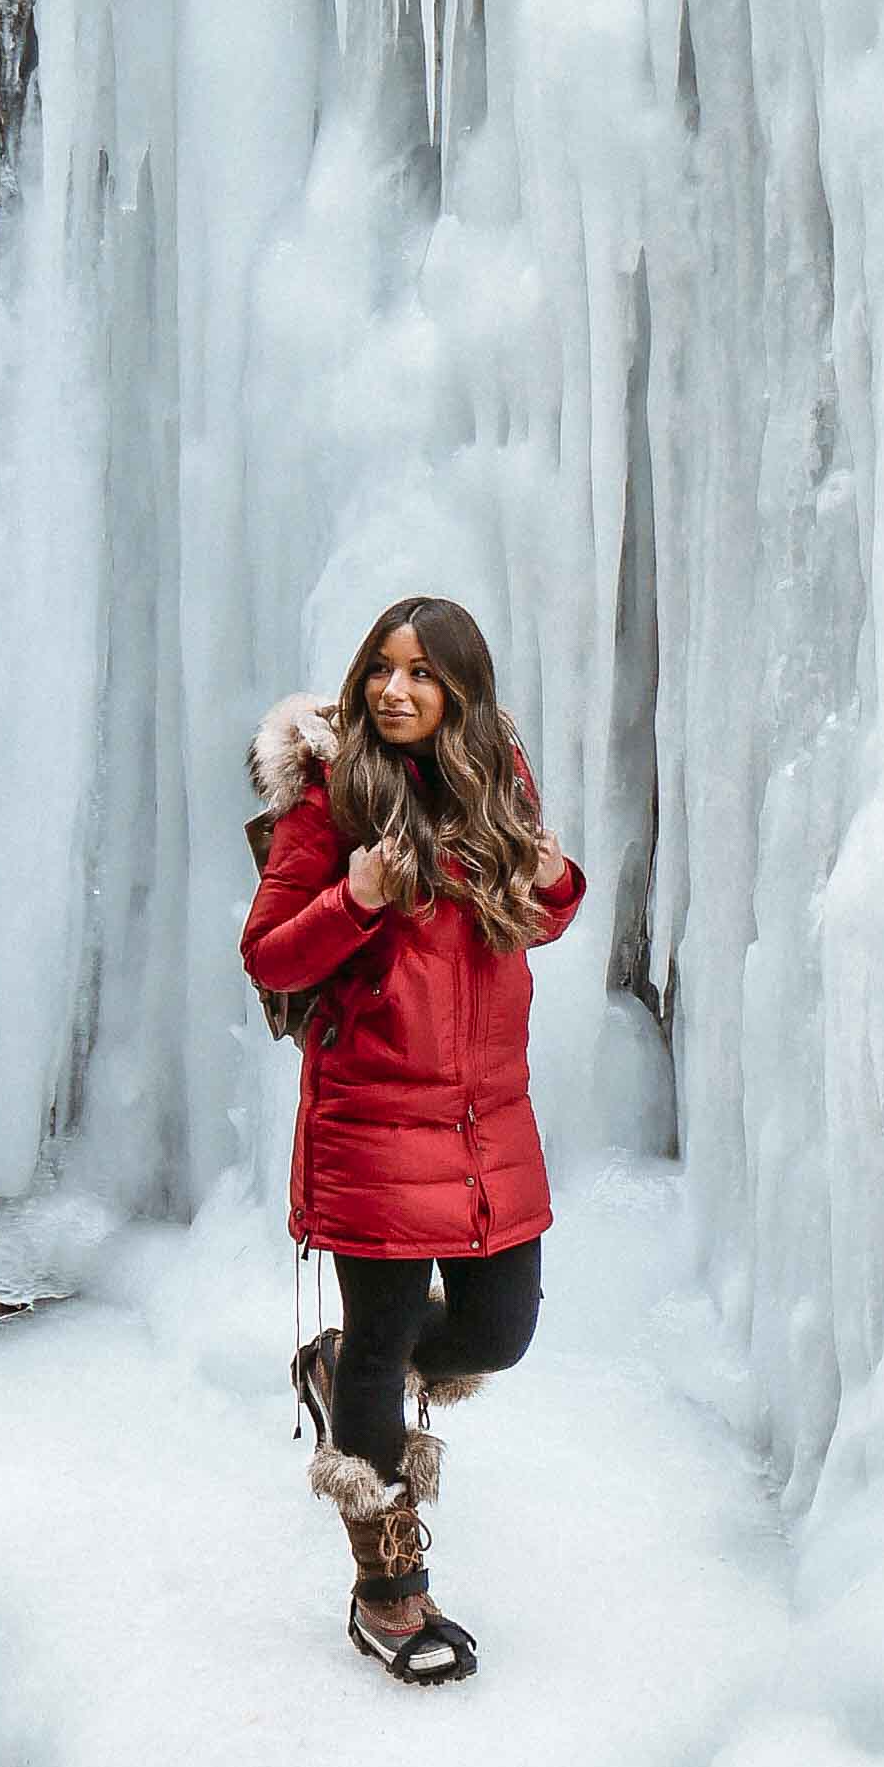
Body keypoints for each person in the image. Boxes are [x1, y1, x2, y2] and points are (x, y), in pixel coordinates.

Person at [242, 597, 584, 1685]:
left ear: (460, 694)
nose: (395, 690)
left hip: (488, 1124)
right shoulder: (327, 803)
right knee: (385, 1341)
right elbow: (272, 956)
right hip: (374, 1124)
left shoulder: (493, 789)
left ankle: (347, 1380)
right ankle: (389, 1594)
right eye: (381, 669)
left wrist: (549, 878)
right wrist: (355, 896)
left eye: (421, 674)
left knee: (501, 1327)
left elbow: (537, 913)